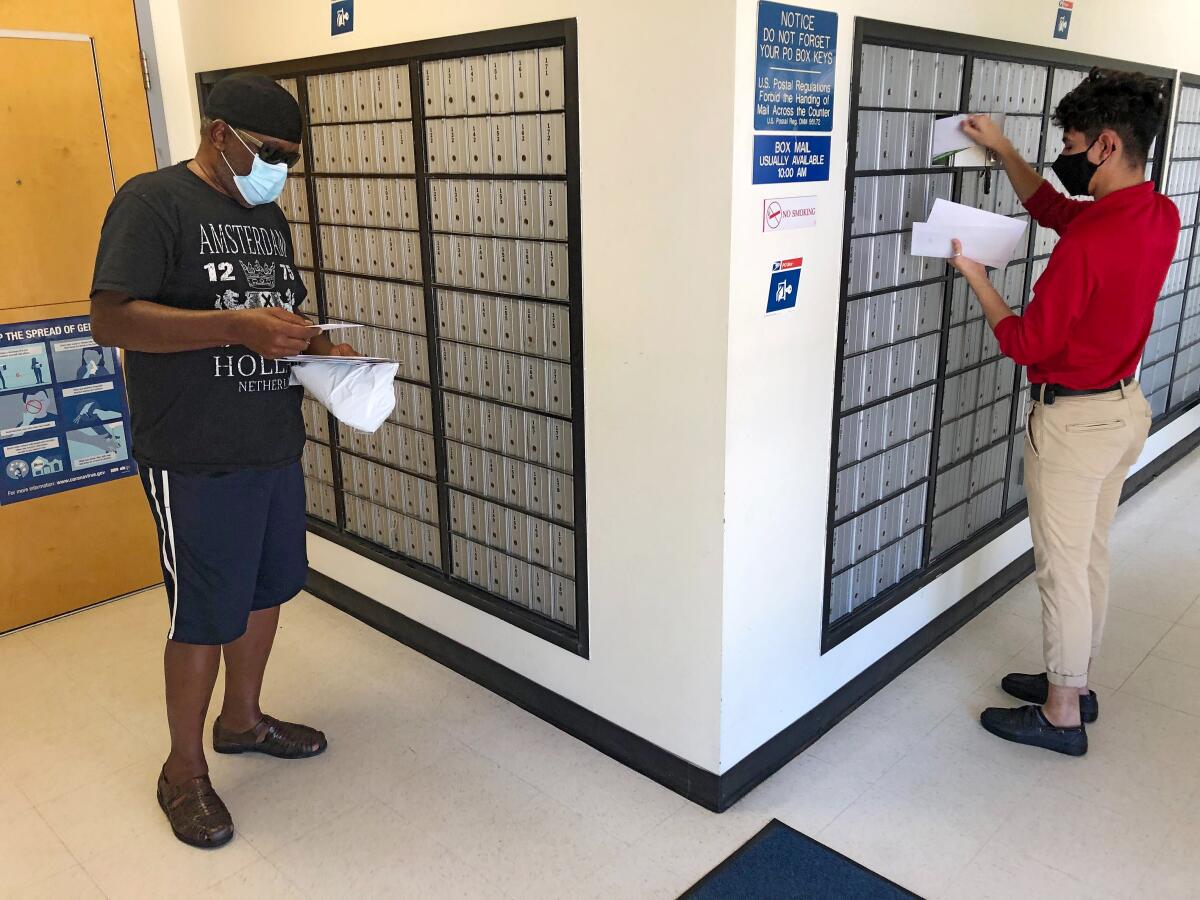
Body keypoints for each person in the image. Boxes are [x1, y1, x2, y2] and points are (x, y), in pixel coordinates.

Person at [90, 73, 356, 848]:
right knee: (203, 615)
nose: (277, 170)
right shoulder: (153, 203)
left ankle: (241, 722)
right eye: (269, 152)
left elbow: (281, 313)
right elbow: (110, 319)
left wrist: (320, 347)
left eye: (289, 160)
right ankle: (183, 772)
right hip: (194, 453)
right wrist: (231, 329)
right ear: (219, 134)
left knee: (268, 589)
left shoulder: (266, 215)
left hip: (270, 439)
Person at [949, 68, 1178, 756]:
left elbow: (1026, 342)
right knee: (1091, 559)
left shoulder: (1088, 246)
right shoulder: (1153, 212)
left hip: (1075, 426)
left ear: (1105, 145)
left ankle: (1060, 712)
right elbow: (1053, 207)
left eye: (1073, 142)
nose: (1068, 153)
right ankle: (1075, 681)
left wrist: (980, 283)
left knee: (1060, 569)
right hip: (1122, 412)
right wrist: (1004, 150)